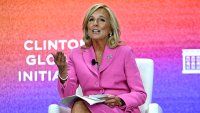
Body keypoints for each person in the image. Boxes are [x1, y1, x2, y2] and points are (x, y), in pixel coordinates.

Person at [52, 3, 147, 113]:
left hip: (119, 109)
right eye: (91, 20)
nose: (95, 24)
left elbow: (140, 94)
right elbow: (67, 94)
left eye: (101, 20)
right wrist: (63, 73)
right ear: (87, 28)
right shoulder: (76, 54)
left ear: (110, 27)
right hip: (90, 108)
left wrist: (120, 100)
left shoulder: (124, 52)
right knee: (78, 105)